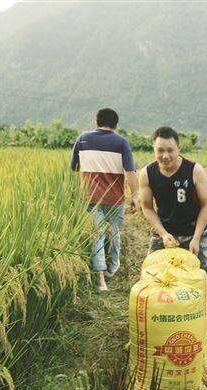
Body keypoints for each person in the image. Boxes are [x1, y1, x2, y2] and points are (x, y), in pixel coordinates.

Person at [138, 126, 207, 347]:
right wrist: (163, 234)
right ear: (153, 149)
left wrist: (195, 238)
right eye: (160, 150)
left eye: (170, 150)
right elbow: (146, 207)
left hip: (195, 232)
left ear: (179, 148)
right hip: (165, 233)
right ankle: (154, 328)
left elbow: (206, 205)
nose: (165, 155)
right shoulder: (147, 173)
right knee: (150, 279)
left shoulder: (194, 170)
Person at [71, 108, 138, 292]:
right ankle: (112, 268)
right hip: (115, 199)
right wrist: (135, 196)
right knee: (114, 232)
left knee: (97, 235)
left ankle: (101, 281)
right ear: (116, 125)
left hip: (90, 198)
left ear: (96, 122)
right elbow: (130, 172)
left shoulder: (82, 139)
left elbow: (74, 168)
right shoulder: (121, 142)